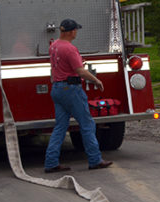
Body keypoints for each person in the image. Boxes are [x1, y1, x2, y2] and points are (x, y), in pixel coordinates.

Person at [44, 18, 112, 173]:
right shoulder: (69, 49)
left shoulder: (53, 46)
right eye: (75, 30)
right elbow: (80, 70)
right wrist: (96, 80)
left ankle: (51, 162)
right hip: (71, 89)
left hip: (57, 88)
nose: (76, 32)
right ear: (71, 31)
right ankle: (95, 159)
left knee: (60, 127)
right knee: (87, 124)